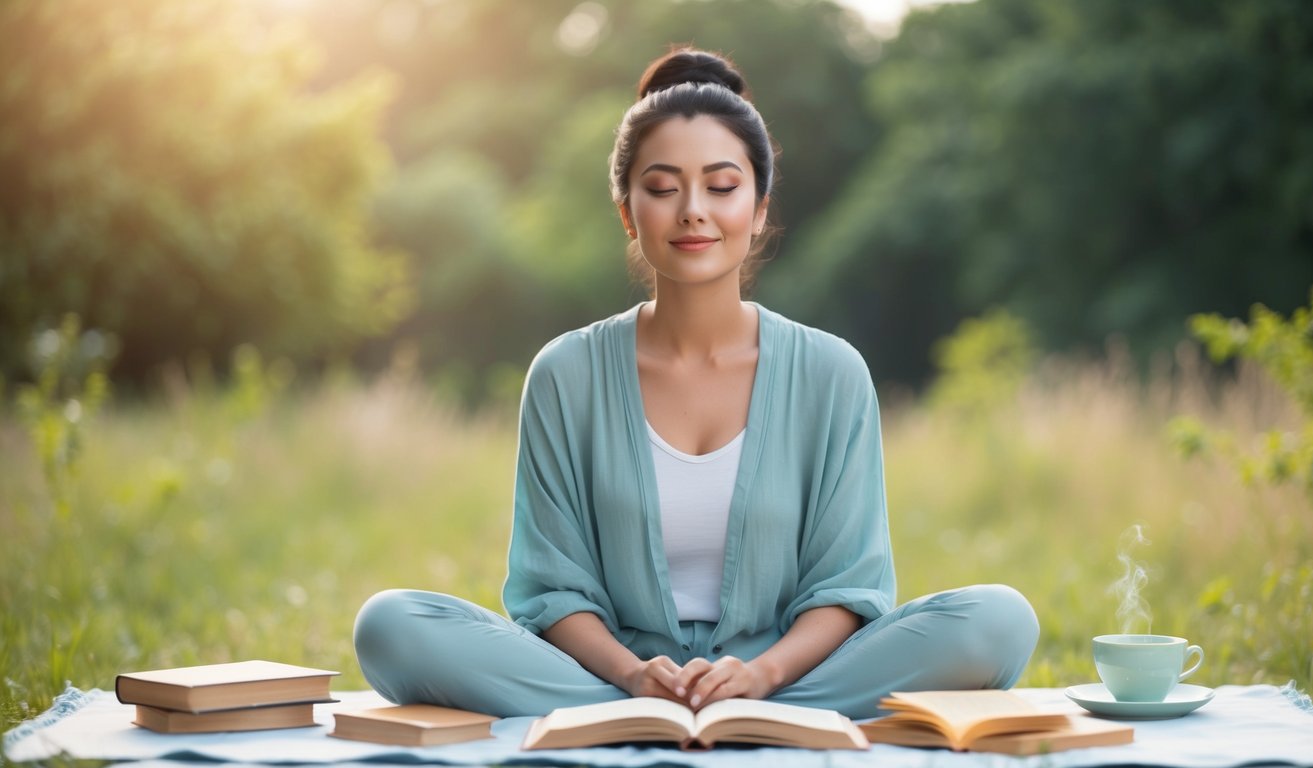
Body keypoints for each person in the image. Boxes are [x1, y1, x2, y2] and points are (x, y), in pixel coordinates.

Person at [353, 48, 1038, 720]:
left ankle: (742, 716)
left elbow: (846, 585)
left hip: (787, 677)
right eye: (660, 187)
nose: (691, 210)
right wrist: (632, 675)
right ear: (627, 210)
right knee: (391, 625)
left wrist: (762, 674)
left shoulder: (831, 373)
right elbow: (552, 590)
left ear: (760, 207)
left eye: (720, 185)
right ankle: (649, 718)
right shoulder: (566, 374)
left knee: (997, 620)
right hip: (613, 680)